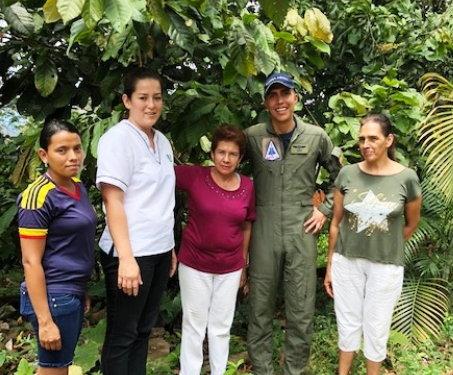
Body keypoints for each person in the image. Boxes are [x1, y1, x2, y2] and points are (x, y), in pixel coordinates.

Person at [245, 72, 342, 375]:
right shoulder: (252, 136)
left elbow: (342, 176)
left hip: (302, 229)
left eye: (284, 94)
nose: (279, 101)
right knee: (259, 306)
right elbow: (229, 168)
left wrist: (324, 209)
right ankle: (262, 369)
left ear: (295, 98)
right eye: (272, 96)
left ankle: (294, 370)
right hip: (263, 229)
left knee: (300, 308)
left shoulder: (316, 136)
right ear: (266, 102)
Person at [323, 113, 422, 375]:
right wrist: (330, 265)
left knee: (376, 328)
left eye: (373, 138)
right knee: (347, 324)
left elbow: (412, 223)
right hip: (346, 262)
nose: (366, 144)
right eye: (362, 139)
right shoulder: (347, 174)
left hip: (386, 266)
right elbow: (336, 223)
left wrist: (384, 243)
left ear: (389, 140)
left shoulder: (407, 178)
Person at [96, 67, 177, 375]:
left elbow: (160, 201)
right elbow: (112, 201)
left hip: (157, 252)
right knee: (123, 335)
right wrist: (127, 259)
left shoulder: (163, 142)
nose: (151, 105)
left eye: (157, 98)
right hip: (130, 254)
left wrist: (168, 247)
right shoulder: (117, 140)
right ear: (127, 100)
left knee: (143, 331)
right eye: (143, 97)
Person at [175, 124, 256, 375]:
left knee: (221, 327)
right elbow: (158, 174)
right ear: (212, 153)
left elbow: (246, 227)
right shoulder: (195, 176)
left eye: (233, 154)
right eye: (221, 152)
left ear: (240, 158)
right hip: (194, 265)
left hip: (230, 268)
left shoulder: (247, 187)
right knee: (194, 326)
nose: (226, 159)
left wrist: (243, 264)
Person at [18, 119, 97, 375]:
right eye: (62, 150)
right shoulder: (38, 195)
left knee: (59, 370)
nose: (73, 156)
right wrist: (45, 321)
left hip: (69, 293)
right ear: (44, 155)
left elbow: (71, 245)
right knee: (53, 371)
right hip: (52, 296)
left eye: (77, 148)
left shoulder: (79, 188)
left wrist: (79, 287)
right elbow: (31, 261)